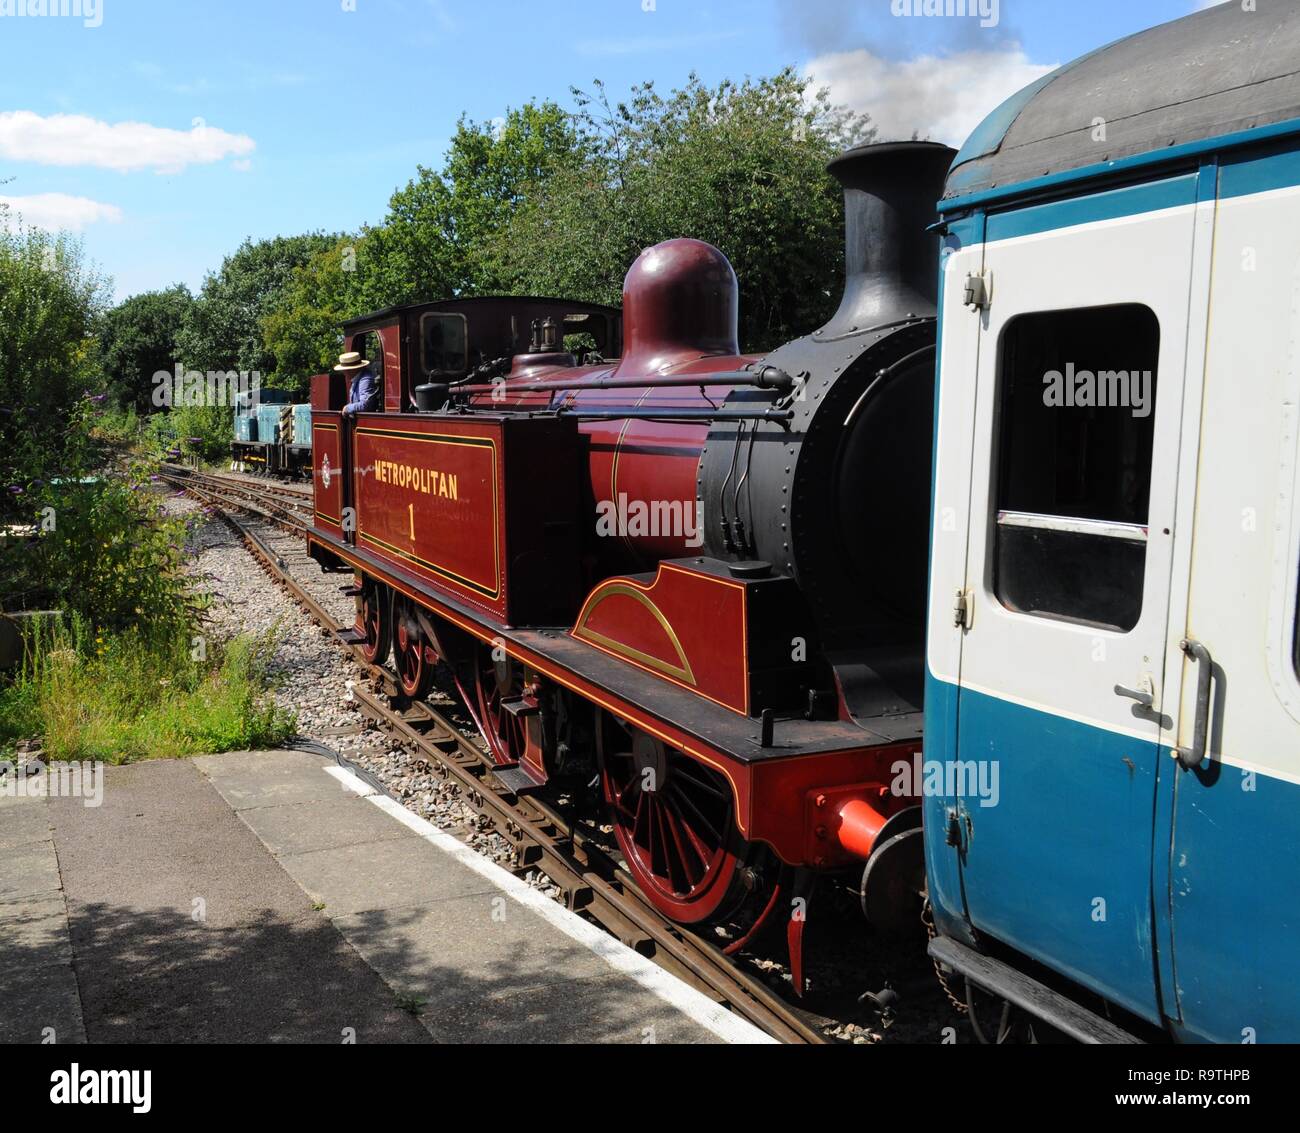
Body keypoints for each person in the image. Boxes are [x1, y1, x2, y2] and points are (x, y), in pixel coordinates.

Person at [336, 351, 379, 415]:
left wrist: (347, 408)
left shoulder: (366, 379)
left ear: (350, 370)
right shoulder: (357, 379)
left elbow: (365, 405)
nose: (343, 372)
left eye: (344, 370)